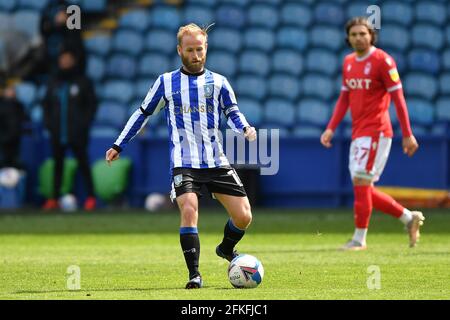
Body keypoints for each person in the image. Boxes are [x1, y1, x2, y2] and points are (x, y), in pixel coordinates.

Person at [105, 23, 257, 289]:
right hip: (184, 163)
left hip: (216, 161)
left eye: (200, 49)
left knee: (244, 216)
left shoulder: (219, 82)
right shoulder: (165, 82)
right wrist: (119, 144)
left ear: (206, 48)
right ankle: (194, 275)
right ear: (179, 50)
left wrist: (244, 127)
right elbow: (143, 113)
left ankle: (225, 248)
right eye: (190, 50)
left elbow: (232, 111)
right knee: (189, 209)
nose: (196, 55)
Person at [320, 17, 425, 251]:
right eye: (354, 34)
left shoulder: (383, 61)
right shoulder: (348, 62)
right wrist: (331, 127)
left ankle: (359, 239)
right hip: (359, 132)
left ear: (371, 36)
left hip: (377, 131)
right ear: (348, 38)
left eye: (363, 33)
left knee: (361, 182)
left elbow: (398, 99)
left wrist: (407, 134)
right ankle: (409, 218)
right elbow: (344, 98)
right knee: (363, 187)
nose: (358, 37)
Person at [42, 47, 97, 211]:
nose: (64, 62)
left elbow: (92, 105)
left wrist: (83, 124)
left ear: (73, 60)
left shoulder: (82, 81)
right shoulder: (54, 82)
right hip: (58, 132)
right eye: (62, 58)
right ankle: (53, 199)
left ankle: (90, 197)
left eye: (68, 58)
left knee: (83, 164)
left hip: (77, 132)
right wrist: (50, 124)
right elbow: (46, 105)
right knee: (57, 165)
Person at [0, 86, 27, 169]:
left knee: (16, 163)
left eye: (13, 90)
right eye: (9, 90)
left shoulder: (19, 105)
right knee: (5, 162)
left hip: (16, 138)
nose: (11, 92)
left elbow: (24, 118)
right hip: (4, 138)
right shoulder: (1, 105)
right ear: (4, 92)